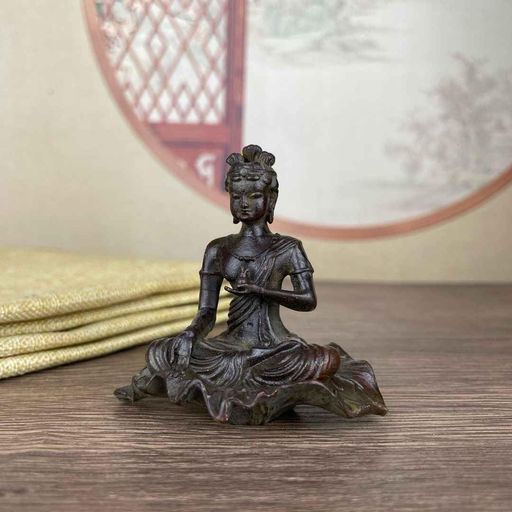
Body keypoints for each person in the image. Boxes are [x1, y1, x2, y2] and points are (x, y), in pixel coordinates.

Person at [115, 145, 387, 424]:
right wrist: (190, 334)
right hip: (230, 346)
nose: (244, 203)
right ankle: (235, 376)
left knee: (326, 359)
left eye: (254, 196)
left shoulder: (288, 248)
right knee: (163, 350)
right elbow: (206, 312)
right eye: (237, 196)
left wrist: (261, 291)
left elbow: (308, 300)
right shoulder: (218, 249)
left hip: (277, 349)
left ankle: (244, 382)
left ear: (271, 200)